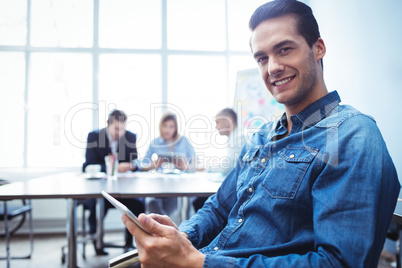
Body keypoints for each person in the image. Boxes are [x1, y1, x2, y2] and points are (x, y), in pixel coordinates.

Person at [121, 1, 400, 267]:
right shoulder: (261, 137)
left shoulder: (353, 135)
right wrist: (184, 236)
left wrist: (198, 263)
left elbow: (340, 263)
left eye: (284, 49)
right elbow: (218, 208)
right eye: (262, 58)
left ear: (318, 49)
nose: (272, 67)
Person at [82, 109, 144, 254]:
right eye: (116, 128)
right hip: (99, 191)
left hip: (124, 190)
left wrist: (132, 166)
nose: (120, 132)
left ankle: (130, 245)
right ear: (108, 125)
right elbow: (89, 164)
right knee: (96, 206)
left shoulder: (130, 137)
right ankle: (97, 243)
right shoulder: (94, 137)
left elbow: (136, 163)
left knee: (139, 205)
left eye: (122, 128)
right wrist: (113, 168)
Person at [140, 113, 196, 222]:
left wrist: (186, 167)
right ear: (160, 126)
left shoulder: (184, 142)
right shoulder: (155, 142)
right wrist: (153, 165)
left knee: (184, 202)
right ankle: (168, 228)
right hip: (159, 185)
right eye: (165, 126)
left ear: (176, 128)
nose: (167, 130)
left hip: (179, 186)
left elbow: (197, 165)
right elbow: (142, 165)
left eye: (171, 126)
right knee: (152, 203)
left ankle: (167, 229)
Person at [193, 108, 244, 212]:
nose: (216, 127)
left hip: (240, 191)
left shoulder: (240, 138)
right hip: (238, 187)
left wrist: (207, 168)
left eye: (218, 122)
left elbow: (228, 166)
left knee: (199, 202)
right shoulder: (235, 137)